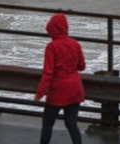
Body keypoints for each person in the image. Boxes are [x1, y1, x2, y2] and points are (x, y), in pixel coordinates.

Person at [34, 13, 86, 144]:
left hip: (58, 90)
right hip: (75, 88)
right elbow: (82, 66)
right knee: (71, 124)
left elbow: (48, 73)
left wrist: (39, 93)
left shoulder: (52, 47)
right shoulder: (75, 44)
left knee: (47, 123)